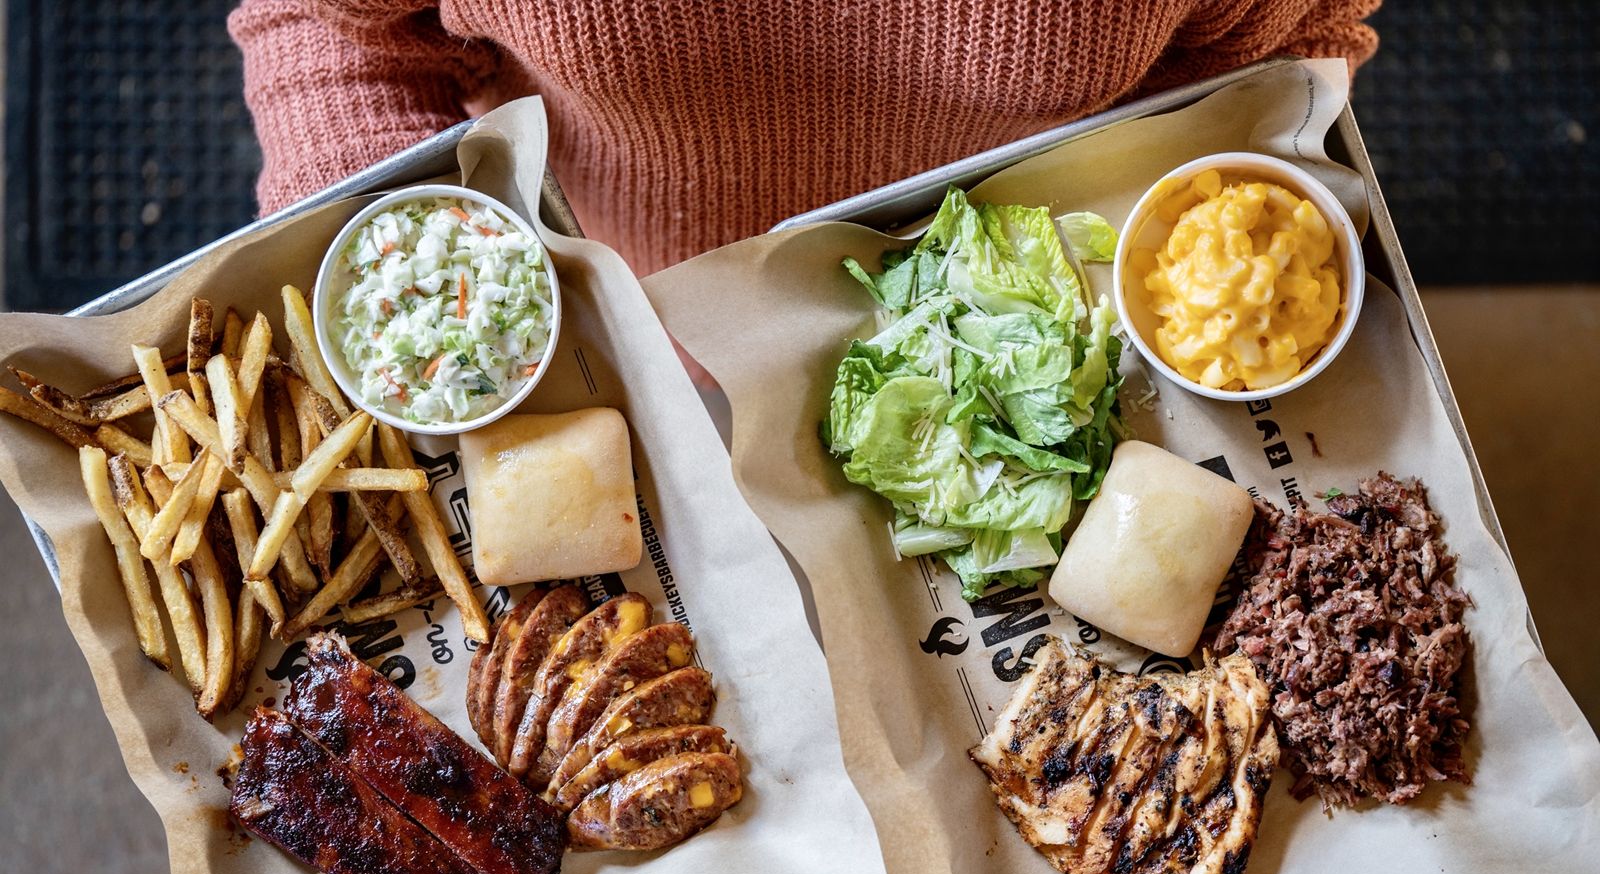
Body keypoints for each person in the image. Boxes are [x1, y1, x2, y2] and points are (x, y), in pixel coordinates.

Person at [231, 0, 1378, 276]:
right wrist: (415, 328)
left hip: (1072, 315)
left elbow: (1285, 33)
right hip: (615, 303)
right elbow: (334, 36)